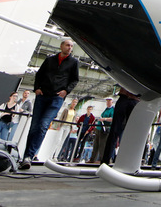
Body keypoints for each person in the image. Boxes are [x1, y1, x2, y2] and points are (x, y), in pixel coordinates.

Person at [20, 39, 79, 169]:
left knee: (43, 125)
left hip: (57, 98)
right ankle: (26, 157)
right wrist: (37, 88)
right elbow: (39, 74)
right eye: (67, 45)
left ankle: (29, 156)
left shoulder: (74, 62)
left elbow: (75, 79)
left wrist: (66, 91)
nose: (70, 48)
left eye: (71, 46)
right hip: (42, 95)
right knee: (34, 126)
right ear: (61, 46)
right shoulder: (50, 60)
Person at [90, 98, 115, 163]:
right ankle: (92, 159)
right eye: (107, 101)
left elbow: (112, 119)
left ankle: (102, 159)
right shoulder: (106, 109)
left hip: (104, 129)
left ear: (112, 102)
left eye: (109, 101)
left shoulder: (112, 110)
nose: (108, 102)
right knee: (96, 144)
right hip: (99, 128)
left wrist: (105, 119)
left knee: (102, 145)